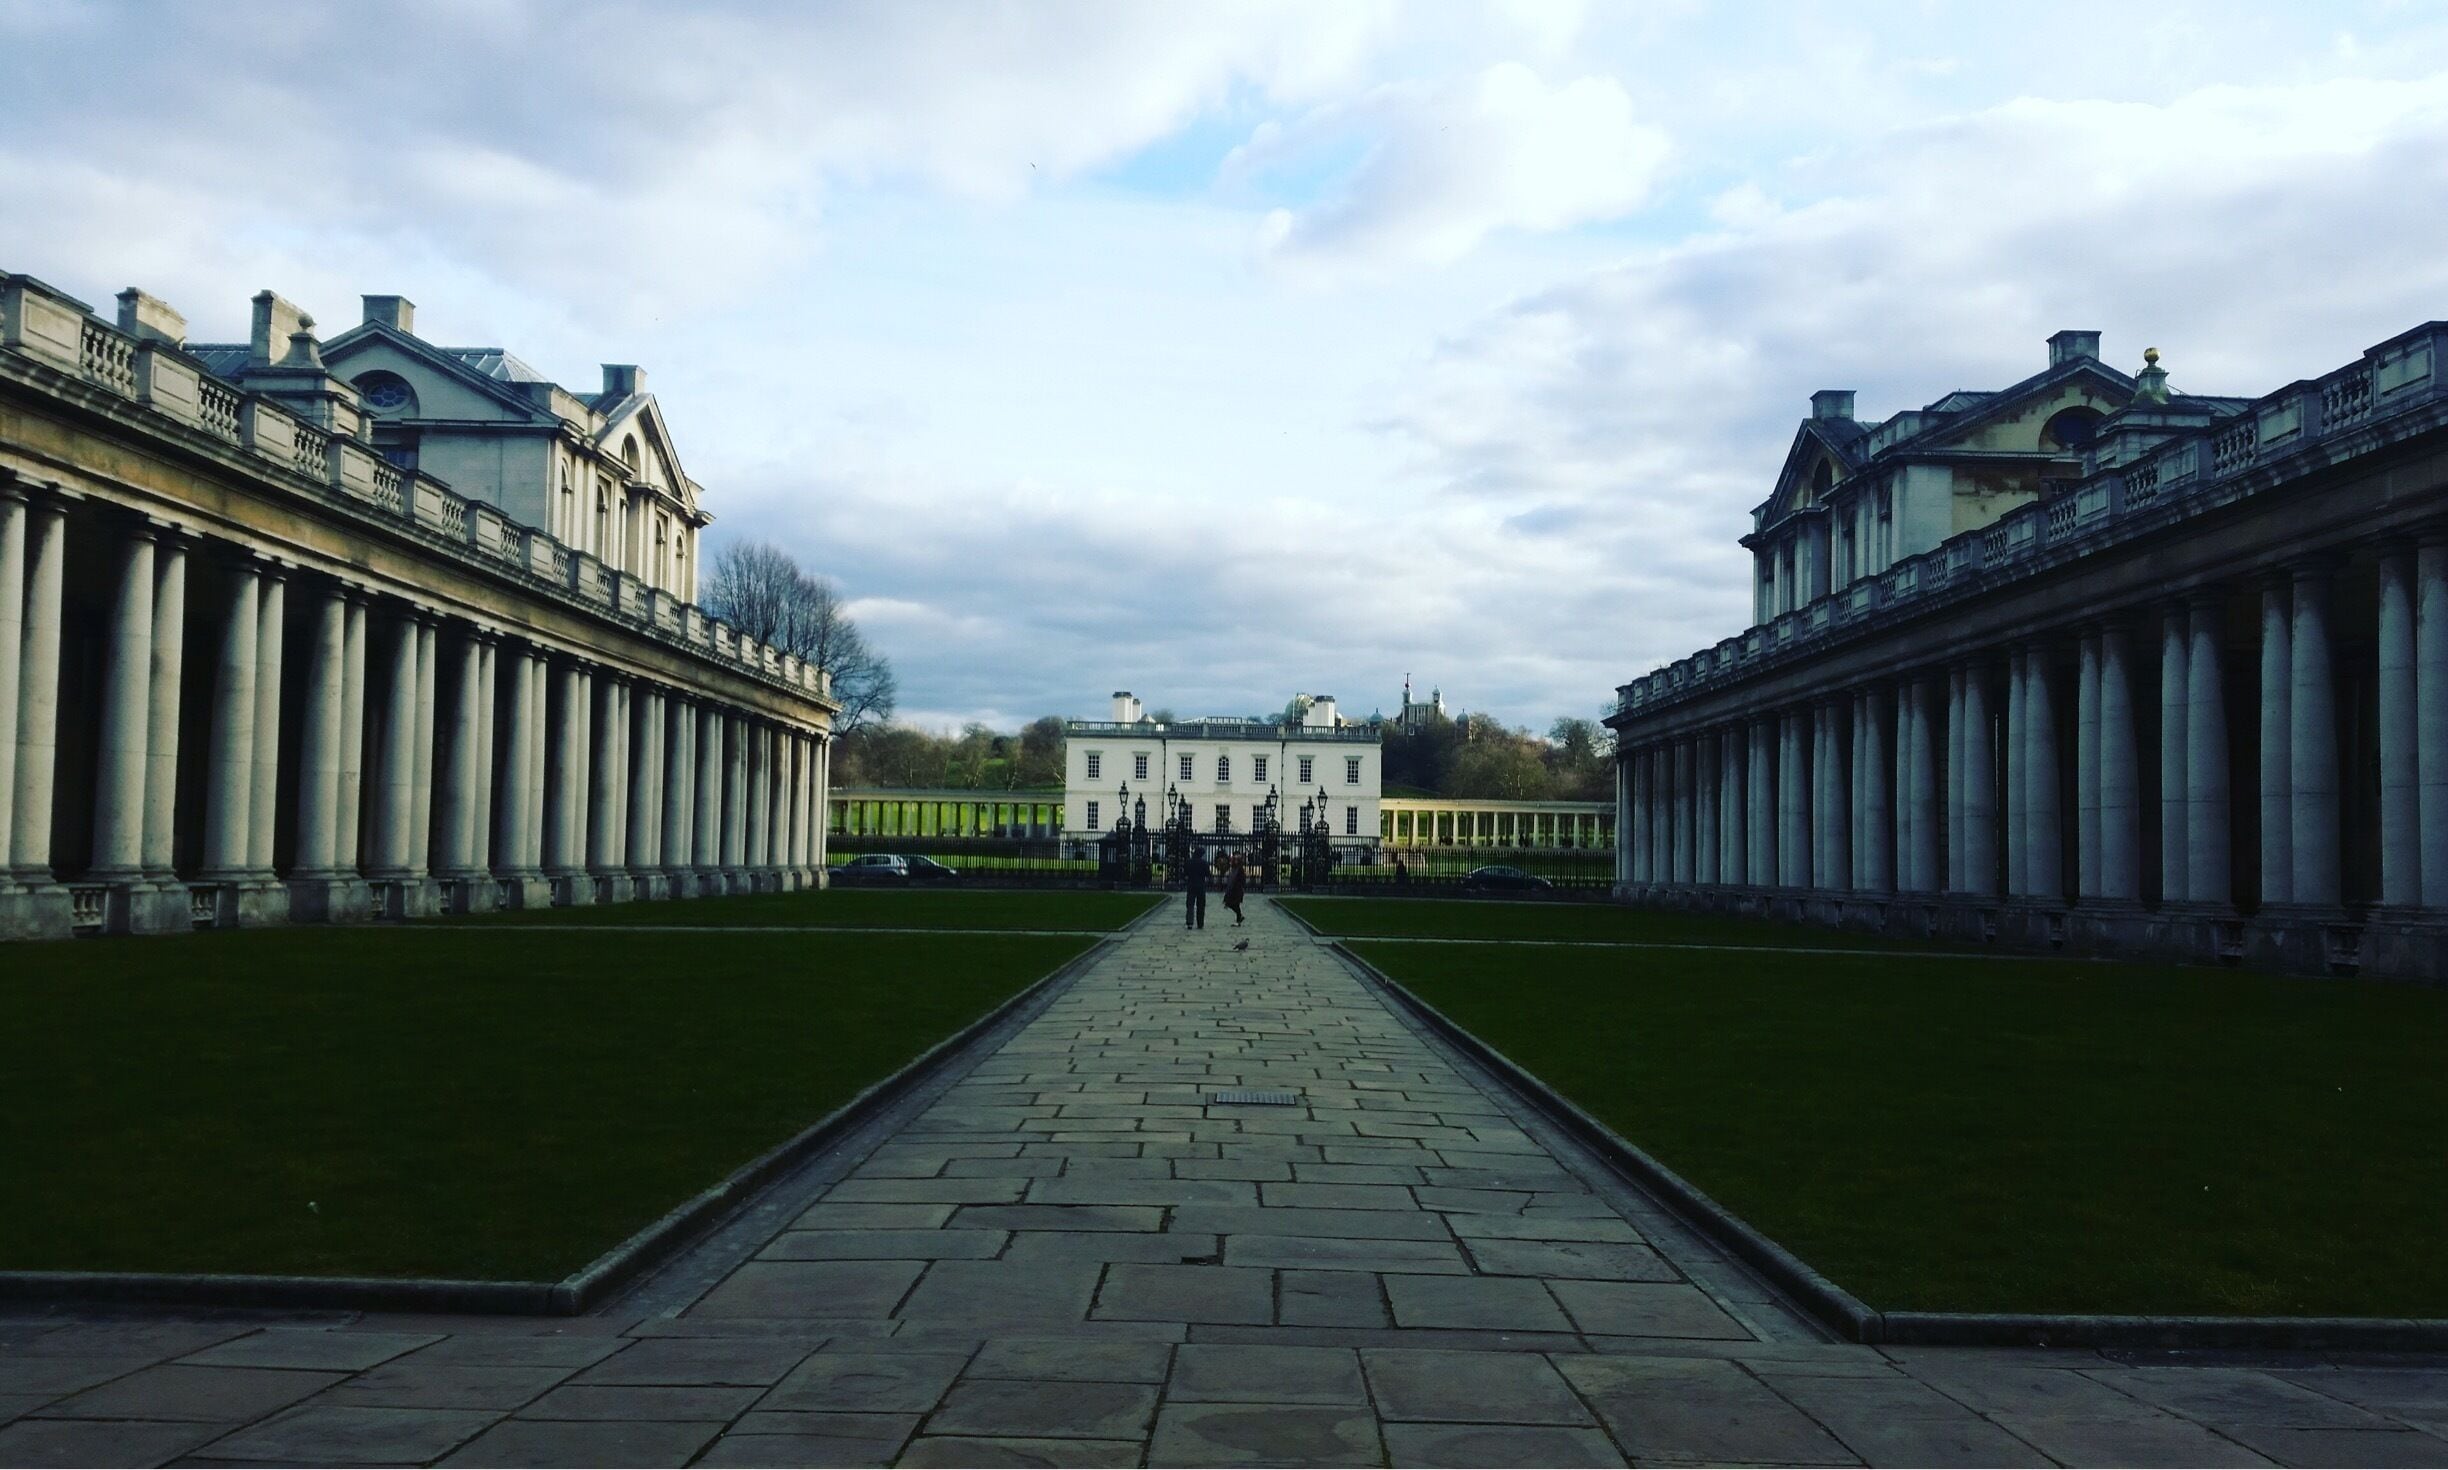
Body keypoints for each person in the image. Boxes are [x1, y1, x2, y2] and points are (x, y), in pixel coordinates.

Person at [1184, 845, 1208, 930]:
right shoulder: (1204, 863)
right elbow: (1207, 874)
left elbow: (1185, 874)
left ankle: (1190, 922)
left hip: (1191, 885)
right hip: (1201, 886)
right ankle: (1200, 923)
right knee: (1201, 905)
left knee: (1190, 904)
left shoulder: (1189, 862)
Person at [1223, 853, 1248, 925]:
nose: (1234, 861)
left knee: (1234, 904)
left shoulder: (1240, 869)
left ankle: (1239, 917)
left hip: (1237, 890)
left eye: (1236, 860)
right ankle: (1239, 918)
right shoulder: (1234, 869)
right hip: (1232, 889)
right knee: (1234, 904)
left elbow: (1242, 880)